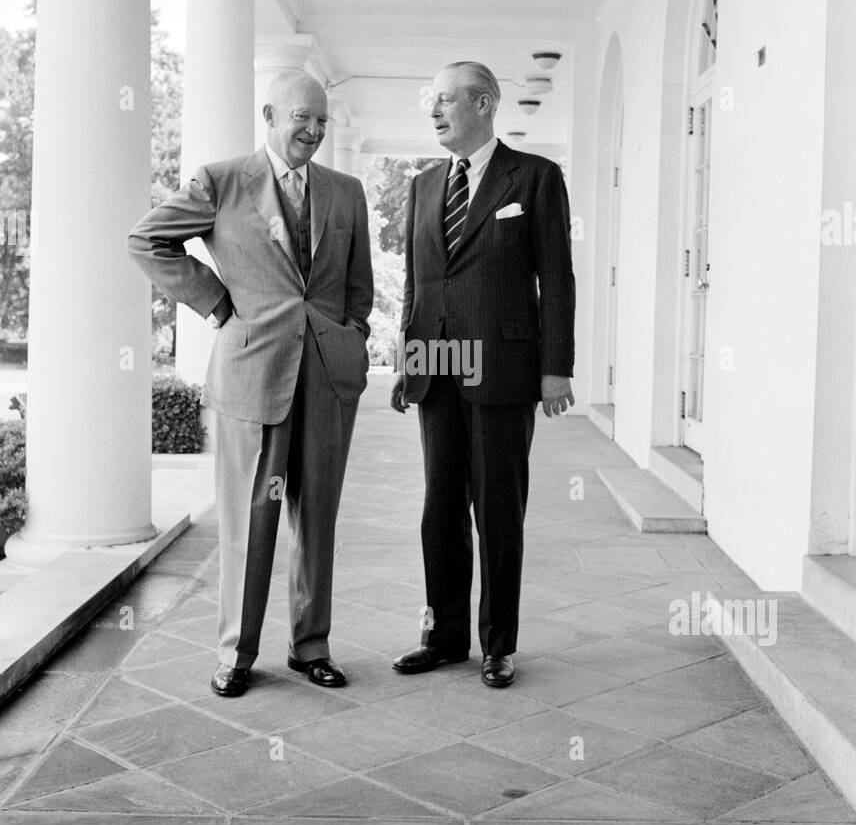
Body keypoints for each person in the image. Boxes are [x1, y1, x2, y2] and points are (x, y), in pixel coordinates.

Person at [128, 71, 373, 697]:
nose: (314, 131)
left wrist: (352, 338)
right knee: (250, 520)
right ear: (269, 113)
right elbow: (147, 240)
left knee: (317, 519)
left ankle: (310, 647)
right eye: (302, 117)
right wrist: (216, 304)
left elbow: (358, 285)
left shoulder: (346, 192)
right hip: (252, 379)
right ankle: (236, 654)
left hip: (327, 382)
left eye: (321, 121)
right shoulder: (220, 181)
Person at [391, 61, 575, 688]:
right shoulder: (422, 186)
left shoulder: (537, 177)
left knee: (498, 512)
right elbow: (418, 285)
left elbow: (558, 279)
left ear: (486, 105)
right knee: (439, 509)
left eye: (446, 101)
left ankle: (498, 645)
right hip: (438, 369)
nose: (435, 112)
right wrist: (407, 361)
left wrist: (556, 370)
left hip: (502, 370)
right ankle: (443, 638)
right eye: (432, 101)